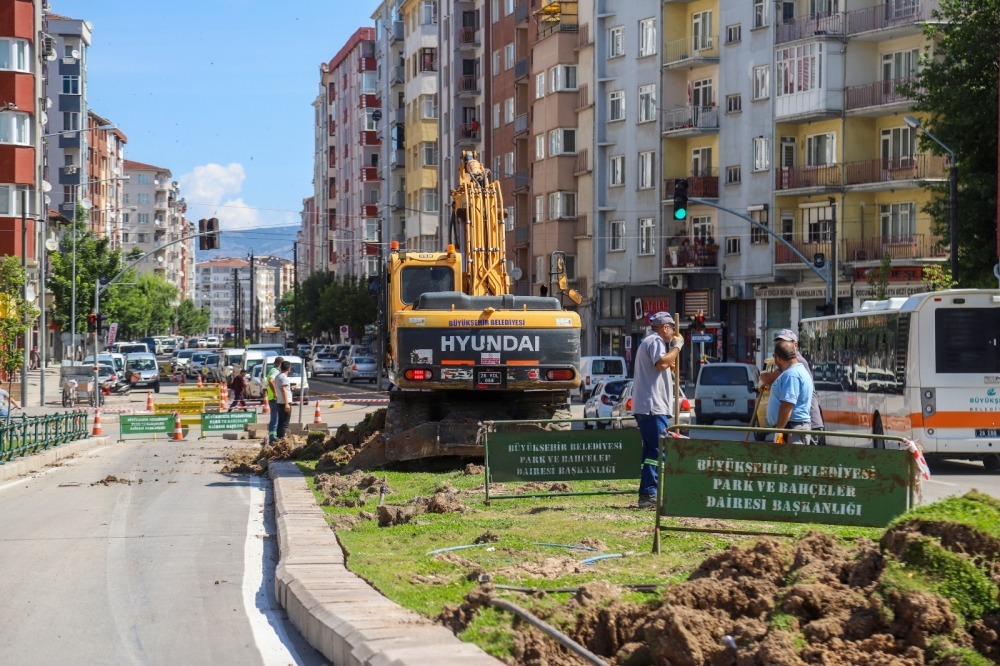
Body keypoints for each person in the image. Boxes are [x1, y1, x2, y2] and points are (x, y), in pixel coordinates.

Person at [632, 312, 684, 508]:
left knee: (651, 450)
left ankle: (647, 491)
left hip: (648, 406)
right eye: (672, 329)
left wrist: (670, 362)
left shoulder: (649, 342)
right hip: (653, 407)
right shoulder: (655, 341)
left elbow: (661, 366)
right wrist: (677, 347)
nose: (673, 333)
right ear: (665, 328)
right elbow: (662, 363)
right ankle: (649, 492)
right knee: (658, 449)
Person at [759, 329, 824, 442]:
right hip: (793, 425)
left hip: (795, 426)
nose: (780, 345)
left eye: (782, 342)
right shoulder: (792, 369)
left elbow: (787, 404)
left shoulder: (792, 371)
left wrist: (778, 431)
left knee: (793, 454)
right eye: (778, 343)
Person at [765, 340, 814, 445]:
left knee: (792, 456)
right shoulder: (797, 371)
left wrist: (778, 430)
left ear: (778, 358)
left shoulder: (791, 374)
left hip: (792, 428)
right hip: (792, 427)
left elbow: (787, 405)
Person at [274, 360, 293, 440]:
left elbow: (284, 389)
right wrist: (286, 404)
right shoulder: (284, 378)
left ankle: (278, 440)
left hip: (279, 402)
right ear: (289, 369)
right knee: (285, 424)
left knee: (280, 423)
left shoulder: (278, 376)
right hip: (284, 403)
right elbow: (283, 390)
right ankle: (282, 441)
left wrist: (291, 388)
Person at [266, 357, 283, 444]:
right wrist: (276, 393)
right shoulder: (275, 371)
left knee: (274, 419)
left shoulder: (272, 370)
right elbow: (271, 381)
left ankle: (273, 437)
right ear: (281, 364)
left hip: (272, 398)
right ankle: (273, 439)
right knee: (275, 419)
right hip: (274, 398)